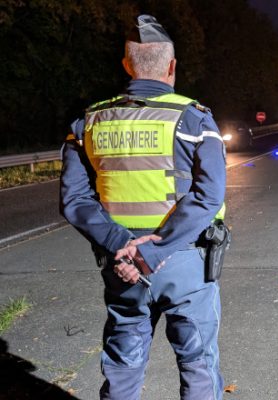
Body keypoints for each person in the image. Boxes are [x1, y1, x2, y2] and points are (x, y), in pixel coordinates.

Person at [60, 14, 226, 400]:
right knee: (198, 364)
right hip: (183, 264)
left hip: (121, 266)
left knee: (122, 366)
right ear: (171, 67)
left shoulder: (88, 123)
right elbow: (207, 196)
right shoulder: (193, 119)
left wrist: (125, 247)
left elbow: (75, 199)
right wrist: (152, 251)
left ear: (126, 65)